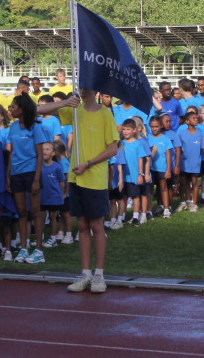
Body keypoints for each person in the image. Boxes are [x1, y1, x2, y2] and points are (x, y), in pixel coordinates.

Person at [39, 90, 120, 294]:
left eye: (87, 87)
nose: (83, 90)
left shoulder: (105, 114)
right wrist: (65, 102)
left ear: (95, 91)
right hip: (76, 176)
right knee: (82, 226)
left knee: (96, 225)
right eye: (81, 86)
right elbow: (37, 110)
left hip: (94, 176)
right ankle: (85, 274)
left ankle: (99, 274)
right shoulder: (75, 109)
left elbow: (113, 149)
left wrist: (89, 163)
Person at [7, 94, 51, 264]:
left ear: (22, 109)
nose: (11, 109)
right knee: (21, 212)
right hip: (16, 173)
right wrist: (8, 175)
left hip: (31, 172)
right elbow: (12, 153)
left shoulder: (35, 127)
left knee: (35, 212)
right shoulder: (12, 127)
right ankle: (24, 247)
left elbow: (40, 155)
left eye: (13, 106)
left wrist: (36, 179)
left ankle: (39, 250)